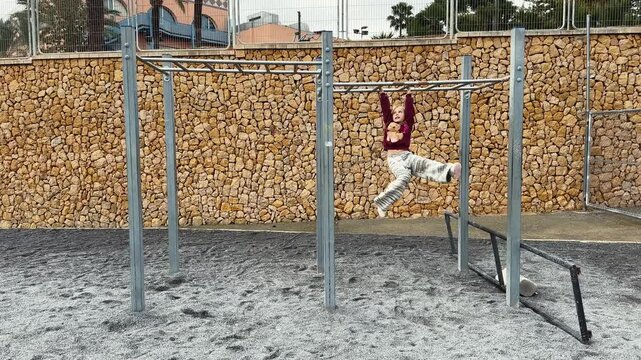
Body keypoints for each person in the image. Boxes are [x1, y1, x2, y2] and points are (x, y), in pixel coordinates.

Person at [373, 92, 461, 218]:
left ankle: (450, 170)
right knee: (404, 177)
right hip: (394, 159)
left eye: (400, 112)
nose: (396, 114)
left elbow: (409, 111)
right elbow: (386, 109)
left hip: (407, 156)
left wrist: (408, 96)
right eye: (395, 112)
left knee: (425, 164)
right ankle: (382, 203)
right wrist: (382, 95)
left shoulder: (407, 124)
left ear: (404, 115)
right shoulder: (388, 122)